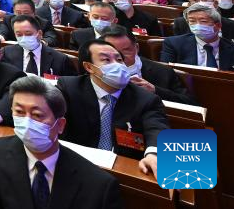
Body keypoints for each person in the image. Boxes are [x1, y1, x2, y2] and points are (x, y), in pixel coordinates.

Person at [0, 75, 123, 209]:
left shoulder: (98, 184)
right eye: (19, 112)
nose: (27, 122)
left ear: (60, 125)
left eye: (37, 115)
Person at [57, 40, 167, 176]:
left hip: (123, 170)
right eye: (106, 60)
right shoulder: (69, 88)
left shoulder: (146, 98)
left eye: (119, 60)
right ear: (89, 67)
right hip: (76, 165)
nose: (116, 65)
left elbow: (157, 128)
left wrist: (154, 154)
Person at [101, 25, 198, 105]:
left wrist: (155, 90)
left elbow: (189, 103)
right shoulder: (96, 71)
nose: (120, 57)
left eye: (126, 50)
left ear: (137, 48)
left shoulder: (162, 72)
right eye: (113, 52)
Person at [161, 2, 234, 70]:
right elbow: (166, 73)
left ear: (218, 25)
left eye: (203, 21)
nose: (197, 25)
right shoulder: (174, 44)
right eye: (192, 21)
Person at [1, 15, 76, 78]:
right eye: (19, 35)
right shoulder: (5, 54)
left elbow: (68, 85)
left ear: (39, 34)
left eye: (28, 33)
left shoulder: (60, 59)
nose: (24, 38)